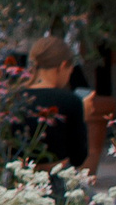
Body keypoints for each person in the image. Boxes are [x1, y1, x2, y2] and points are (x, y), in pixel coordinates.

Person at [13, 35, 92, 183]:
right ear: (63, 66)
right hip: (54, 181)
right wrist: (83, 118)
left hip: (17, 181)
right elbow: (78, 157)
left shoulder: (14, 98)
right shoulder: (69, 101)